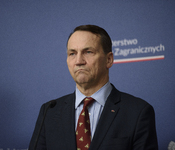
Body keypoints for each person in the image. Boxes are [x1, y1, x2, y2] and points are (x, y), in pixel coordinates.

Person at [29, 25, 158, 150]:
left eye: (88, 52)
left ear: (109, 60)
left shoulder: (138, 112)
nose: (79, 61)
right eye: (72, 53)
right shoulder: (49, 111)